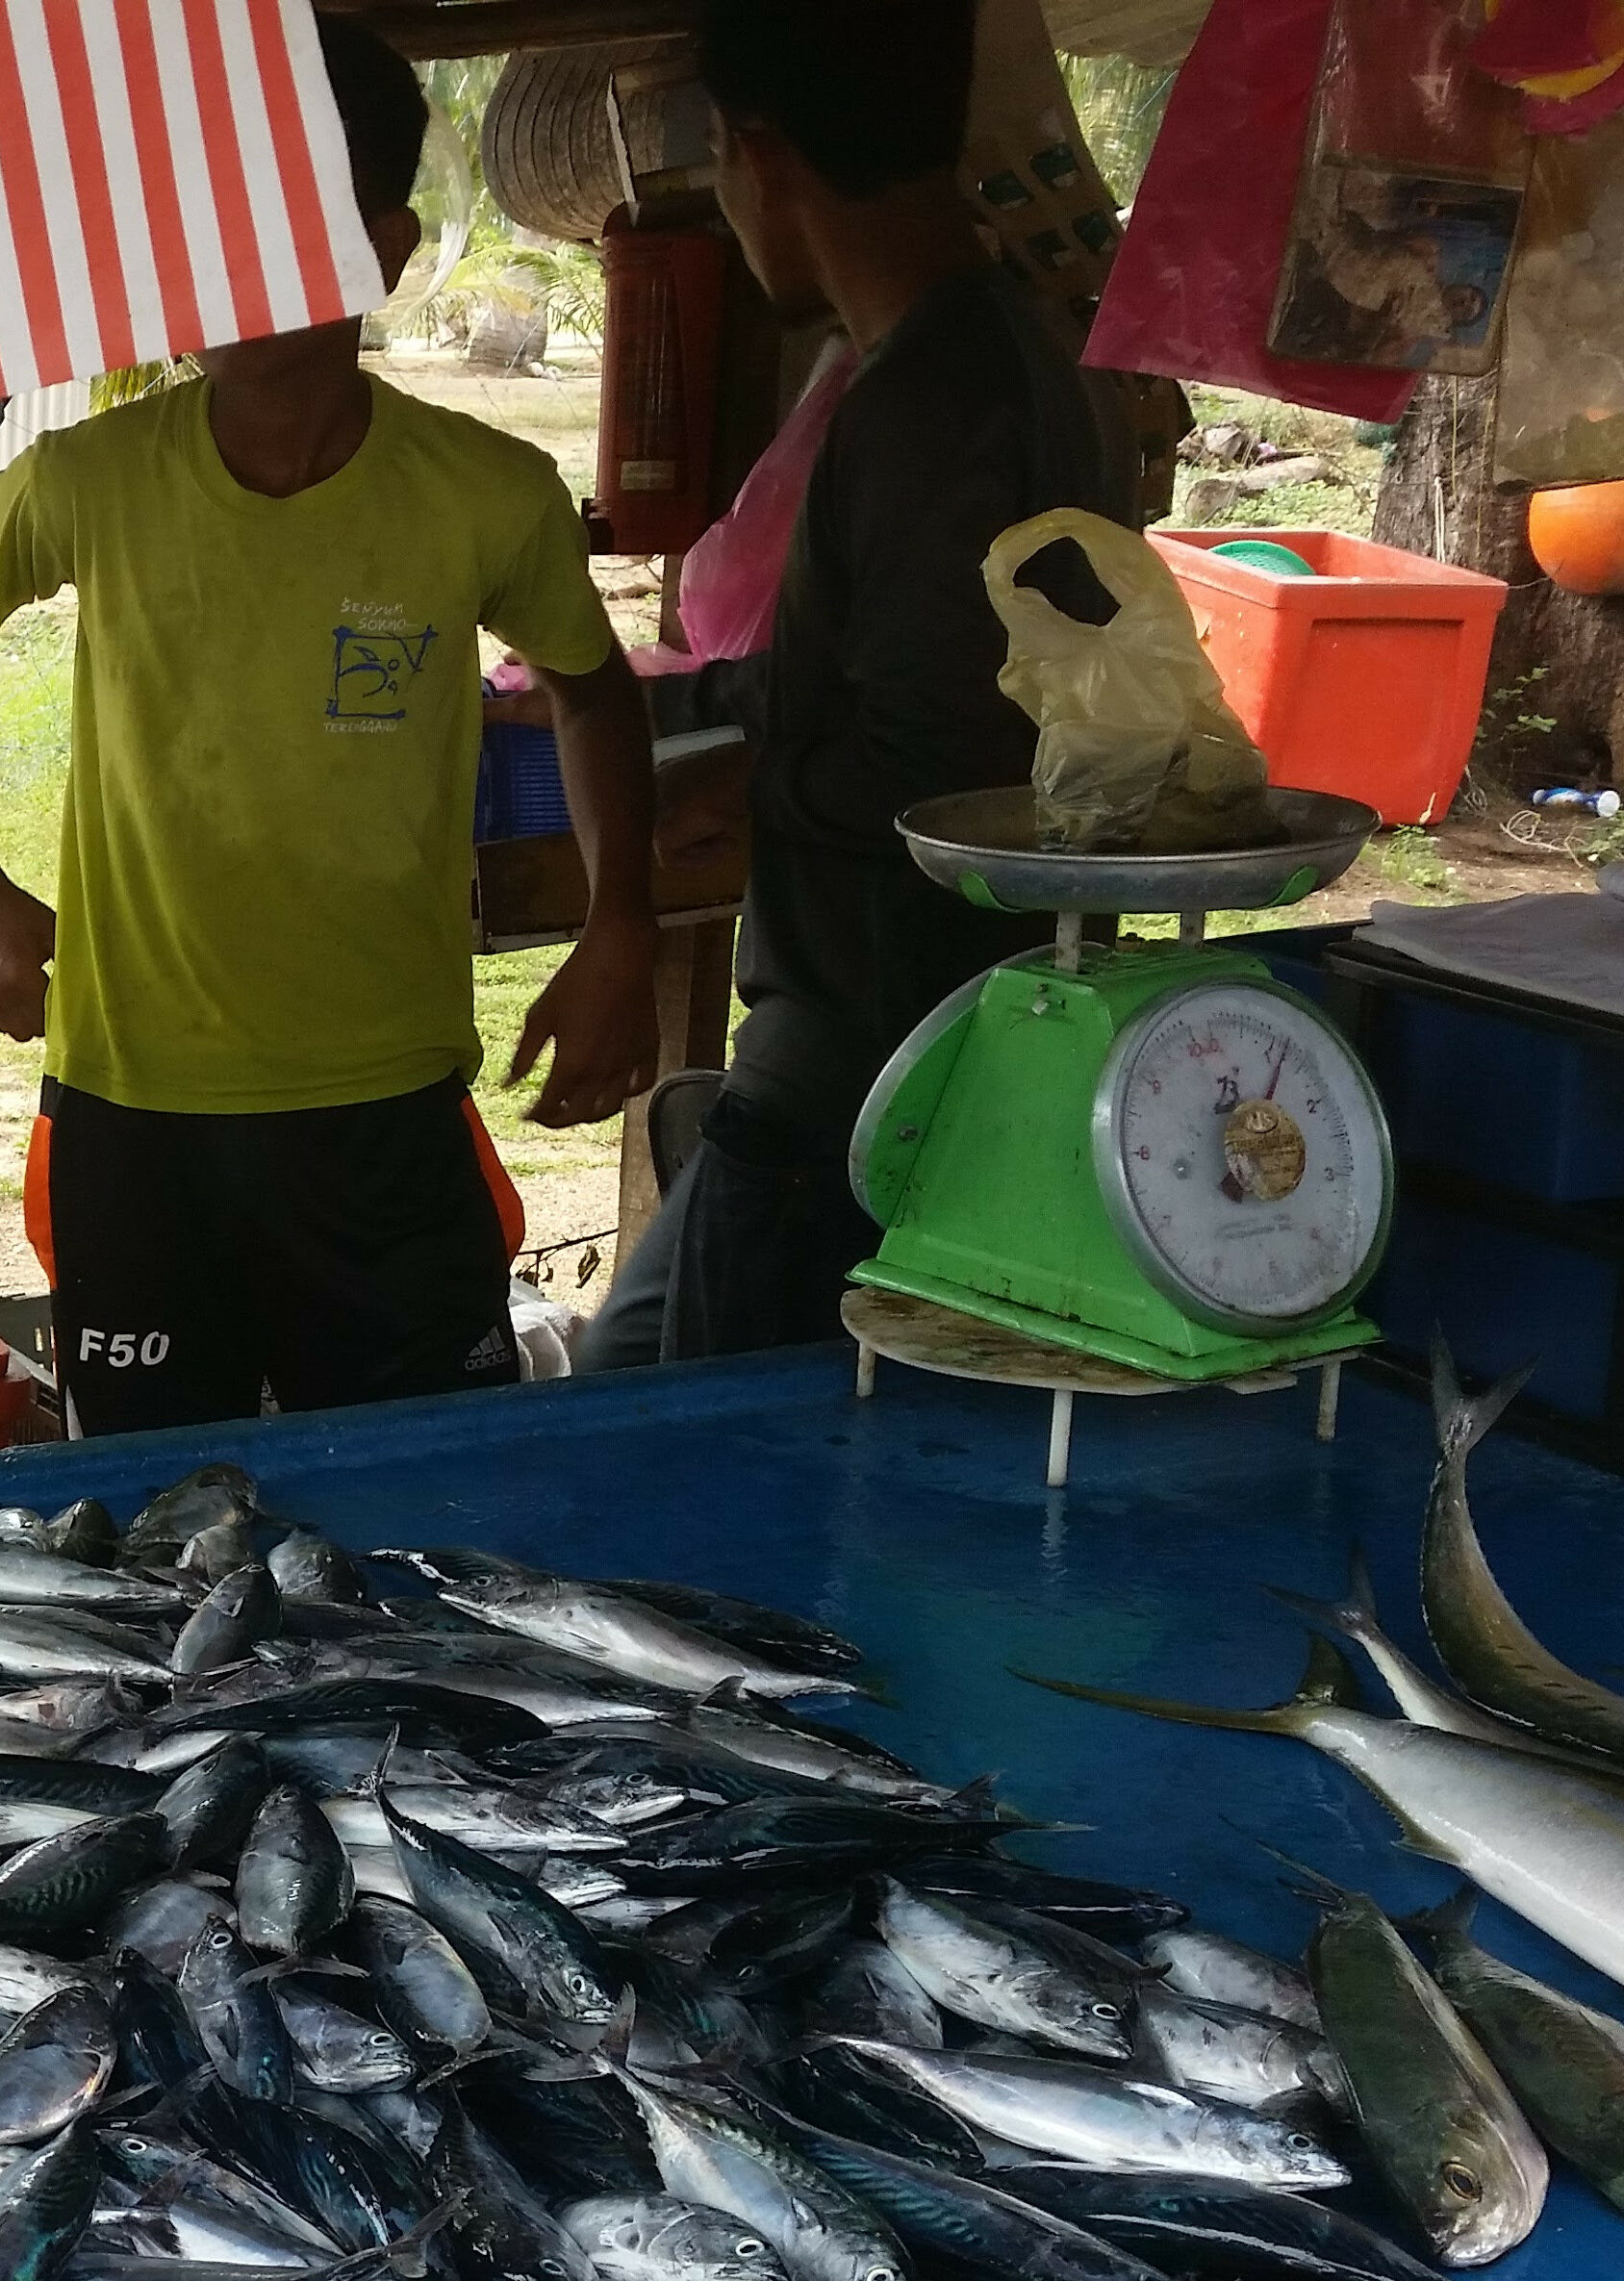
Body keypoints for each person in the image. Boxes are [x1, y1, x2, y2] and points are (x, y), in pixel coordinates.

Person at [0, 20, 660, 1436]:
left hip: (386, 1098)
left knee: (424, 1490)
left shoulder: (482, 493)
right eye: (200, 225)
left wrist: (618, 929)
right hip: (132, 1099)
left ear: (383, 244)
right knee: (160, 1512)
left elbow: (588, 685)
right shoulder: (91, 481)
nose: (222, 269)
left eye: (275, 224)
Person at [581, 0, 1129, 1366]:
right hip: (936, 1012)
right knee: (633, 1367)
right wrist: (665, 711)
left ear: (756, 152)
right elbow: (893, 668)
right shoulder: (1004, 353)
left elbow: (931, 761)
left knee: (688, 1428)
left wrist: (745, 789)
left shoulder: (930, 401)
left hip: (872, 1033)